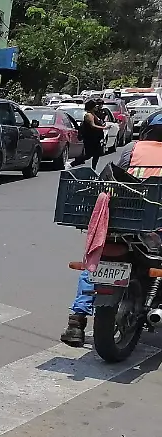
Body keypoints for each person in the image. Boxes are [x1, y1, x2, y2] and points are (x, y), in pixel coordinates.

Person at [60, 113, 162, 347]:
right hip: (155, 224)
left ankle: (76, 322)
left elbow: (116, 176)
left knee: (94, 260)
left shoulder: (132, 148)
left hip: (126, 217)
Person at [71, 100, 106, 170]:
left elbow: (98, 123)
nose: (97, 107)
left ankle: (93, 169)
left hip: (96, 138)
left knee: (97, 154)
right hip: (90, 138)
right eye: (95, 105)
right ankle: (72, 164)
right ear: (91, 107)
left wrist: (102, 125)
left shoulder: (94, 114)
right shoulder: (88, 115)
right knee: (88, 155)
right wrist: (104, 127)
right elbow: (92, 125)